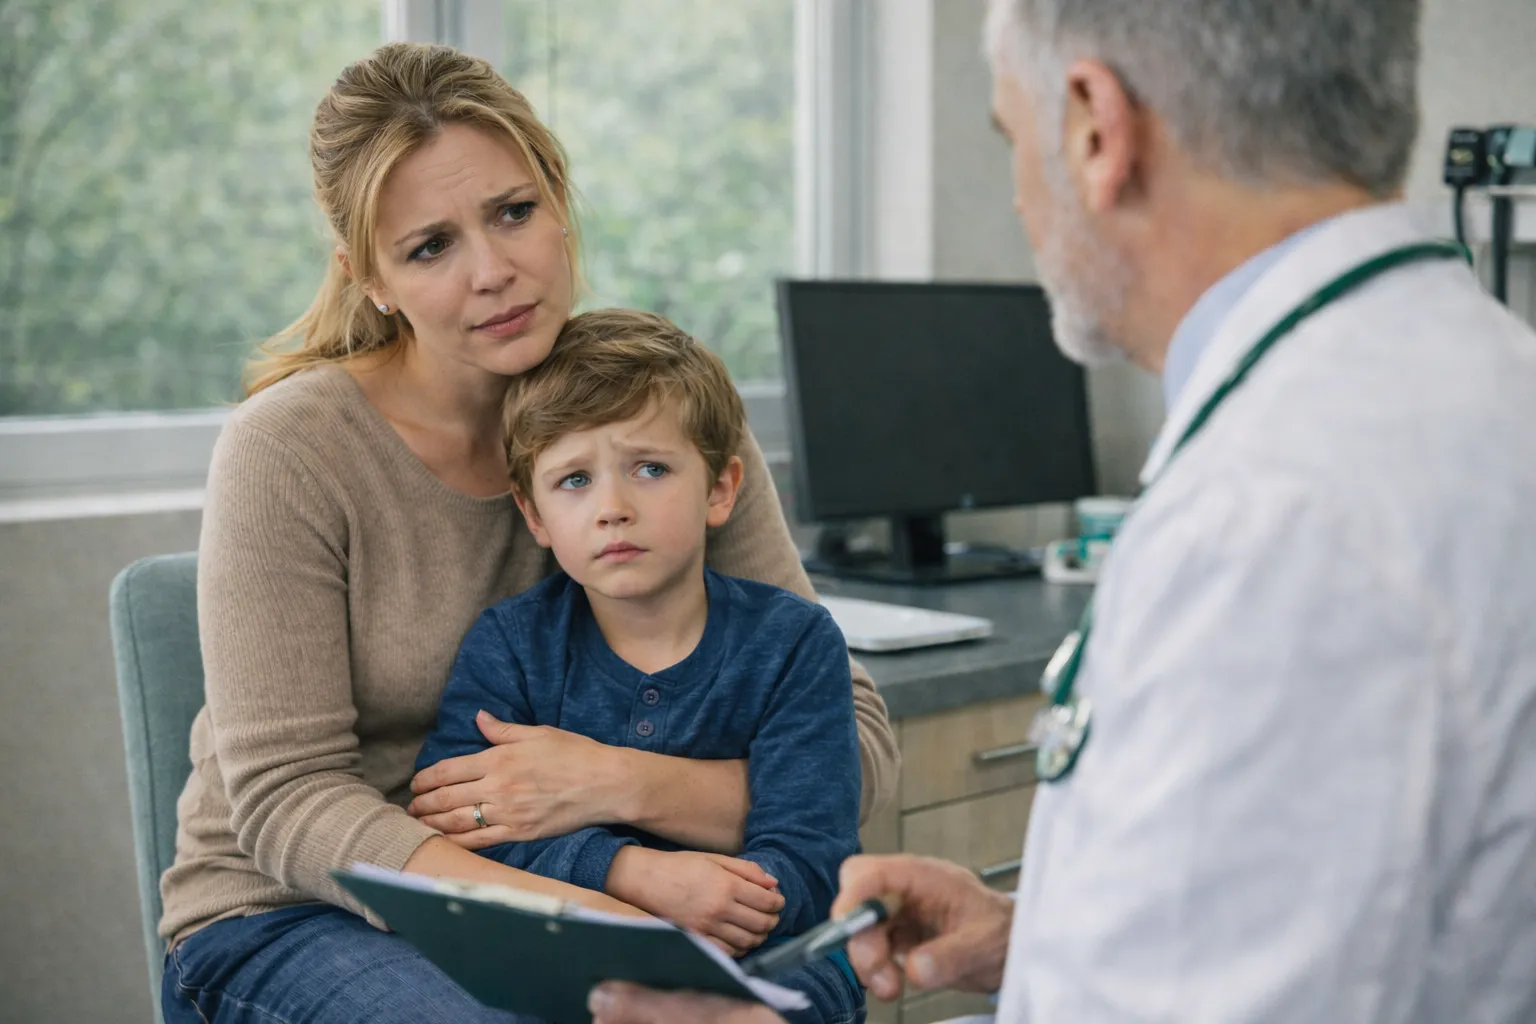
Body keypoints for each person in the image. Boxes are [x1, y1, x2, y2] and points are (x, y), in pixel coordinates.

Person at [586, 0, 1536, 1021]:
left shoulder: (1274, 514)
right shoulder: (1482, 380)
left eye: (1012, 140)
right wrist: (1036, 936)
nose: (1024, 203)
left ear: (1094, 127)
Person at [158, 42, 897, 1024]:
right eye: (431, 247)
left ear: (558, 198)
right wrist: (601, 917)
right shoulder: (290, 450)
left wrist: (606, 782)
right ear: (369, 276)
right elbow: (290, 801)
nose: (495, 272)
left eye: (514, 213)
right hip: (295, 917)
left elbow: (858, 753)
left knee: (851, 967)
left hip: (611, 875)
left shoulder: (658, 414)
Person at [415, 308, 865, 1023]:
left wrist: (723, 905)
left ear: (720, 489)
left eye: (649, 469)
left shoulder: (794, 642)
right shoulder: (510, 645)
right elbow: (466, 832)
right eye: (573, 482)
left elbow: (815, 851)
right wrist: (636, 877)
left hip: (779, 957)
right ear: (534, 517)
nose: (613, 508)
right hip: (583, 955)